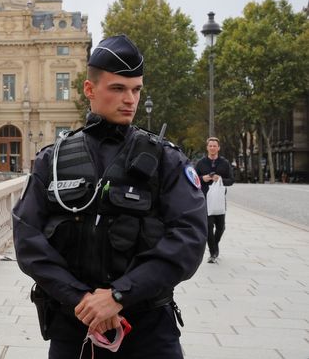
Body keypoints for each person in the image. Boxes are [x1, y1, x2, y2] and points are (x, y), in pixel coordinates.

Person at [12, 35, 207, 358]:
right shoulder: (54, 160)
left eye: (136, 89)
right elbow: (27, 239)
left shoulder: (165, 160)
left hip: (149, 330)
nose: (129, 99)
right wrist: (83, 301)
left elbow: (189, 238)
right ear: (90, 90)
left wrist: (117, 296)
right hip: (74, 328)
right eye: (118, 88)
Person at [195, 137, 234, 263]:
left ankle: (215, 244)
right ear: (207, 147)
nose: (212, 148)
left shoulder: (224, 163)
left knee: (221, 227)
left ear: (218, 148)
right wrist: (203, 178)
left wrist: (220, 179)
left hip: (219, 199)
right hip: (205, 199)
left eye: (214, 146)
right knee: (208, 225)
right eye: (210, 146)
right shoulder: (200, 163)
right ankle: (213, 253)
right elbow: (193, 180)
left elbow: (231, 180)